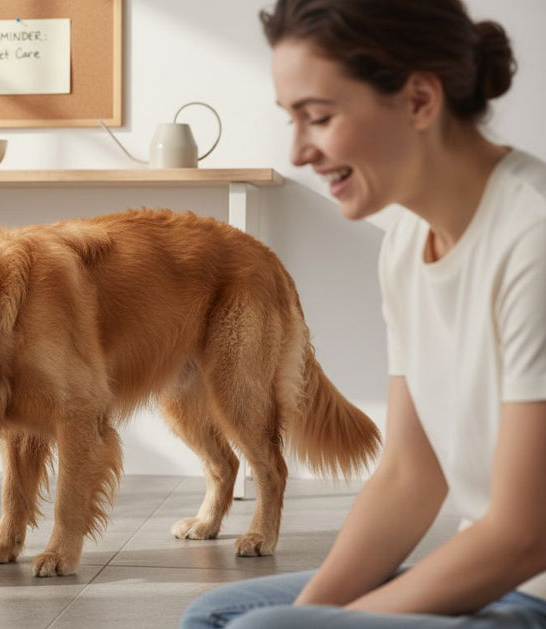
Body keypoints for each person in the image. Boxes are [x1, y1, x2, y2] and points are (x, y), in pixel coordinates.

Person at [181, 0, 546, 627]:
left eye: (317, 117)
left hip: (531, 586)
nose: (298, 151)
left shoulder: (533, 238)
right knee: (221, 614)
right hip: (502, 581)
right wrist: (318, 613)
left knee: (263, 626)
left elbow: (523, 536)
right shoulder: (407, 243)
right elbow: (409, 474)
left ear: (420, 100)